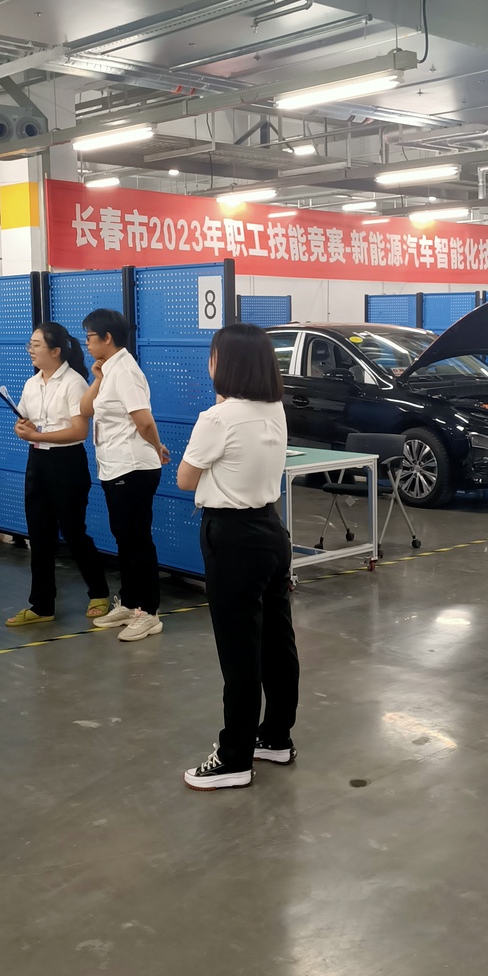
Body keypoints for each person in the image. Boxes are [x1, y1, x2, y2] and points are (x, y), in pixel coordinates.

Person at [176, 323, 297, 791]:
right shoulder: (275, 410)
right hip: (270, 530)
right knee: (277, 642)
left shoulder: (217, 418)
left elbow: (185, 479)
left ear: (224, 364)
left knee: (239, 650)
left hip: (231, 538)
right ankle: (276, 737)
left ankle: (234, 758)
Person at [6, 323, 111, 628]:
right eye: (30, 345)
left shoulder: (74, 383)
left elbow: (79, 431)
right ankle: (41, 605)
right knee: (39, 534)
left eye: (36, 345)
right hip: (37, 462)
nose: (31, 351)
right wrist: (22, 429)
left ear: (55, 351)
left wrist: (38, 435)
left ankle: (99, 593)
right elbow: (25, 421)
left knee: (74, 531)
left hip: (67, 463)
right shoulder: (32, 383)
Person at [78, 309, 169, 643]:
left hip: (133, 467)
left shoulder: (127, 372)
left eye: (90, 337)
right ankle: (130, 603)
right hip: (114, 466)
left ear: (107, 338)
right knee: (124, 537)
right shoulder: (109, 371)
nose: (86, 343)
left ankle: (149, 612)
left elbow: (143, 420)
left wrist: (157, 447)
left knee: (137, 539)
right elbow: (85, 409)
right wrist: (97, 378)